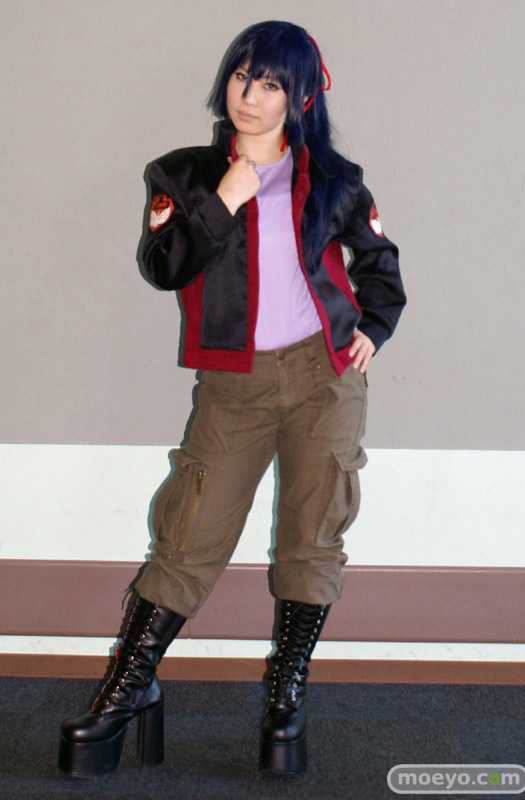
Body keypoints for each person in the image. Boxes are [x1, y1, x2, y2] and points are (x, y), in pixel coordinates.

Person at [58, 20, 406, 778]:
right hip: (234, 383)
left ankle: (285, 697)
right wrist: (223, 199)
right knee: (188, 534)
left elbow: (379, 264)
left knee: (312, 536)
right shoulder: (182, 173)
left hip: (323, 380)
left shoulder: (336, 180)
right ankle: (126, 692)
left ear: (301, 97)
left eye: (271, 82)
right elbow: (163, 266)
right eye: (242, 75)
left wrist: (372, 327)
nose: (249, 94)